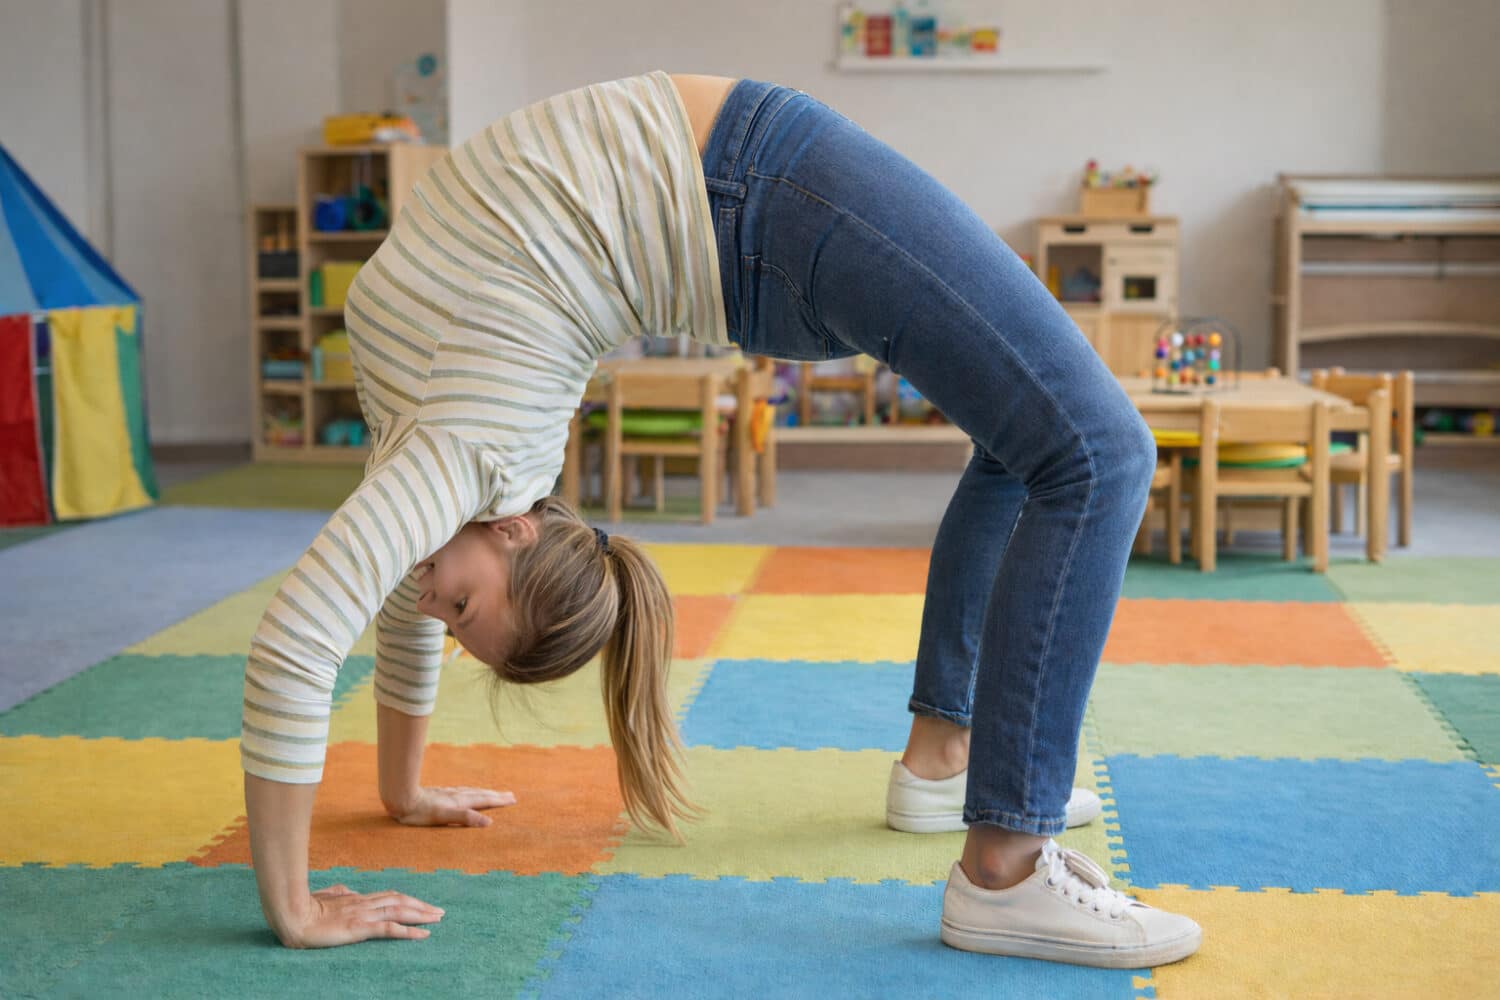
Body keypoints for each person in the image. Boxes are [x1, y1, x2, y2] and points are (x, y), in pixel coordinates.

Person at [240, 71, 1201, 968]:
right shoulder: (462, 473)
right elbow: (395, 601)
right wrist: (393, 803)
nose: (425, 597)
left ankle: (947, 762)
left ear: (511, 531)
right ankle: (1005, 871)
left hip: (756, 191)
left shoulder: (459, 460)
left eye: (454, 604)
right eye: (458, 610)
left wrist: (304, 896)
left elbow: (300, 641)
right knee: (1097, 453)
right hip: (757, 203)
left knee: (1052, 448)